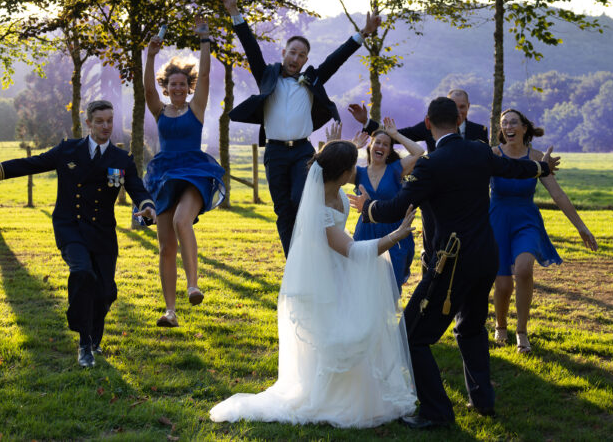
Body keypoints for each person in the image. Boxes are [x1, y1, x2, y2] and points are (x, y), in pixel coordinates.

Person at [349, 97, 559, 429]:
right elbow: (514, 169)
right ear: (458, 123)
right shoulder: (479, 151)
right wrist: (542, 167)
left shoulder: (431, 164)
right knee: (471, 328)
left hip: (451, 261)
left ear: (428, 124)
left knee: (411, 335)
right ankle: (483, 401)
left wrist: (368, 207)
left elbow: (395, 207)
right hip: (486, 256)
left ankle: (437, 413)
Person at [210, 140, 418, 428]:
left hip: (341, 272)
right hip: (324, 276)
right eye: (351, 166)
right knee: (335, 337)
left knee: (351, 333)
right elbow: (352, 251)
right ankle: (325, 396)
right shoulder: (318, 206)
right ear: (344, 172)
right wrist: (396, 235)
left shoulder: (339, 190)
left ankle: (355, 392)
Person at [0, 100, 156, 368]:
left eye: (110, 120)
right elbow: (28, 164)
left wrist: (147, 208)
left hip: (102, 233)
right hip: (70, 226)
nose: (106, 126)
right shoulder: (68, 150)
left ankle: (94, 338)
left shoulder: (121, 160)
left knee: (106, 292)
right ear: (88, 123)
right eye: (100, 121)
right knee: (82, 272)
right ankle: (84, 341)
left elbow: (138, 190)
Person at [222, 0, 380, 256]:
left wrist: (363, 32)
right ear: (284, 53)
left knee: (300, 199)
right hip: (275, 151)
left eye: (301, 55)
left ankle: (314, 249)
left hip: (303, 153)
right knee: (283, 209)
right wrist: (234, 11)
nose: (295, 58)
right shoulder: (268, 76)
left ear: (306, 59)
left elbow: (337, 58)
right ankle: (293, 262)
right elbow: (250, 46)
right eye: (292, 52)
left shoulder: (311, 80)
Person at [490, 108, 597, 351]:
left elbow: (557, 194)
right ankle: (500, 325)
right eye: (504, 123)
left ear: (524, 128)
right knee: (504, 286)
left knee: (525, 269)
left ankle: (522, 332)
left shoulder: (538, 157)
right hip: (497, 221)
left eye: (513, 122)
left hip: (526, 221)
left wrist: (581, 227)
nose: (508, 127)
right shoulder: (493, 155)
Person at [143, 18, 226, 328]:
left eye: (182, 84)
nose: (177, 88)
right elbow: (147, 88)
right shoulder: (159, 110)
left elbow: (204, 73)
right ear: (167, 88)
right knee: (166, 246)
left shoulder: (197, 108)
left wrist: (205, 39)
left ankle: (193, 285)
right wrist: (151, 54)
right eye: (172, 84)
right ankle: (170, 311)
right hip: (164, 174)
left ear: (188, 87)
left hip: (193, 171)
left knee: (181, 221)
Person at [352, 116, 424, 290]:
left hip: (394, 233)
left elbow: (418, 152)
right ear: (370, 146)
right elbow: (335, 165)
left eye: (386, 144)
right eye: (377, 142)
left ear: (390, 150)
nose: (381, 146)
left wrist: (396, 135)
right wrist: (352, 147)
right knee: (362, 286)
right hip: (365, 233)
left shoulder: (396, 169)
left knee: (390, 290)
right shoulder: (358, 173)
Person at [397, 89, 488, 152]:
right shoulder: (431, 125)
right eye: (454, 106)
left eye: (462, 107)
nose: (458, 112)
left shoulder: (480, 131)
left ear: (468, 106)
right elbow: (405, 135)